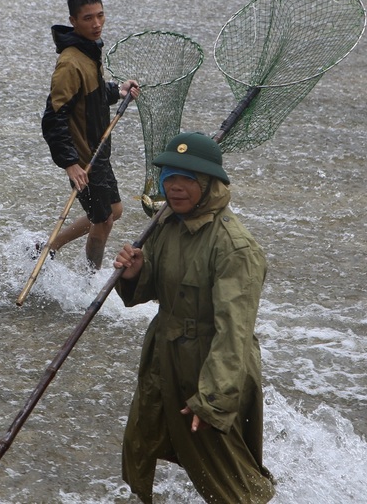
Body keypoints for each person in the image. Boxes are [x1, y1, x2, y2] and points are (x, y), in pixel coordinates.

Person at [112, 132, 275, 504]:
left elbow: (234, 332)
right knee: (141, 445)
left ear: (208, 183)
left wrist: (213, 399)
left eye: (188, 179)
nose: (176, 187)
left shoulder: (235, 247)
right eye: (170, 177)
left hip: (211, 368)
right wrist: (136, 272)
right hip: (162, 359)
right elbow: (154, 288)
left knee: (229, 479)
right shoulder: (166, 224)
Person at [41, 0, 140, 270]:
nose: (96, 24)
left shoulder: (89, 51)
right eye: (88, 18)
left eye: (100, 15)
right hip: (84, 158)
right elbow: (53, 118)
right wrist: (70, 163)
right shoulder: (69, 64)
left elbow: (91, 95)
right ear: (73, 21)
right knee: (103, 220)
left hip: (98, 151)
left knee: (115, 211)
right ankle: (89, 282)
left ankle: (47, 247)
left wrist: (116, 91)